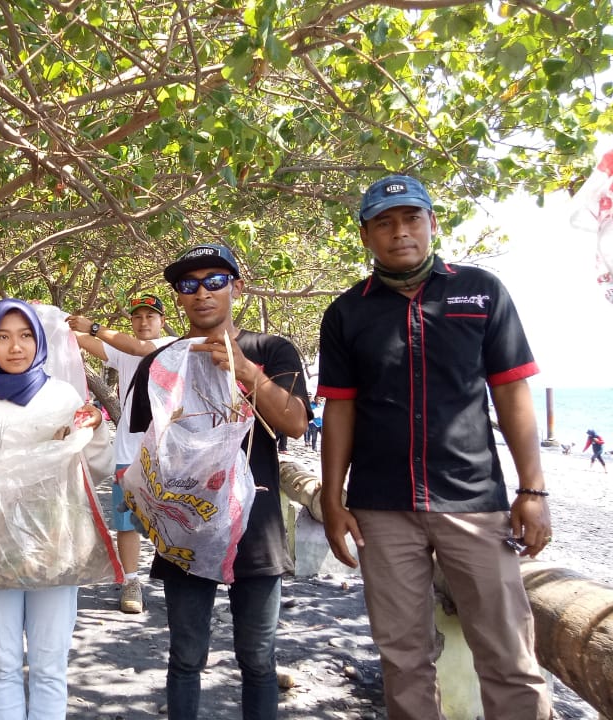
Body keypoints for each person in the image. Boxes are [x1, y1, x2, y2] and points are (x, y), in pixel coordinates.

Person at [318, 175, 553, 720]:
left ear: (432, 224)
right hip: (381, 508)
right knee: (402, 658)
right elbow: (341, 409)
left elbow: (512, 391)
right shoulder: (347, 312)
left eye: (411, 219)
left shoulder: (482, 290)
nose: (400, 232)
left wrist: (533, 490)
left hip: (475, 503)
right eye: (385, 223)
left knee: (509, 654)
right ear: (365, 236)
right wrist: (333, 500)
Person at [126, 243, 311, 720]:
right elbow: (145, 454)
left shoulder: (270, 350)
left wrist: (246, 372)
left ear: (236, 287)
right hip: (186, 529)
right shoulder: (160, 364)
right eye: (189, 285)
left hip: (258, 525)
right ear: (179, 297)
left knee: (258, 660)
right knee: (186, 658)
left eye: (214, 281)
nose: (201, 293)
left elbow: (294, 423)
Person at [0, 298, 114, 720]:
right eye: (3, 337)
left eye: (26, 335)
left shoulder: (63, 396)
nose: (16, 347)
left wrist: (98, 429)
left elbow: (96, 471)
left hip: (56, 546)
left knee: (50, 665)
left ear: (39, 340)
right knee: (3, 662)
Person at [65, 295, 176, 614]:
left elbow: (140, 348)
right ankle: (131, 581)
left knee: (173, 519)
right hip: (129, 449)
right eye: (138, 317)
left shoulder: (170, 344)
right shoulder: (123, 350)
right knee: (127, 522)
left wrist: (95, 327)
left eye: (150, 317)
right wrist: (51, 317)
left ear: (162, 321)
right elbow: (79, 339)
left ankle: (178, 581)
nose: (144, 322)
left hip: (167, 452)